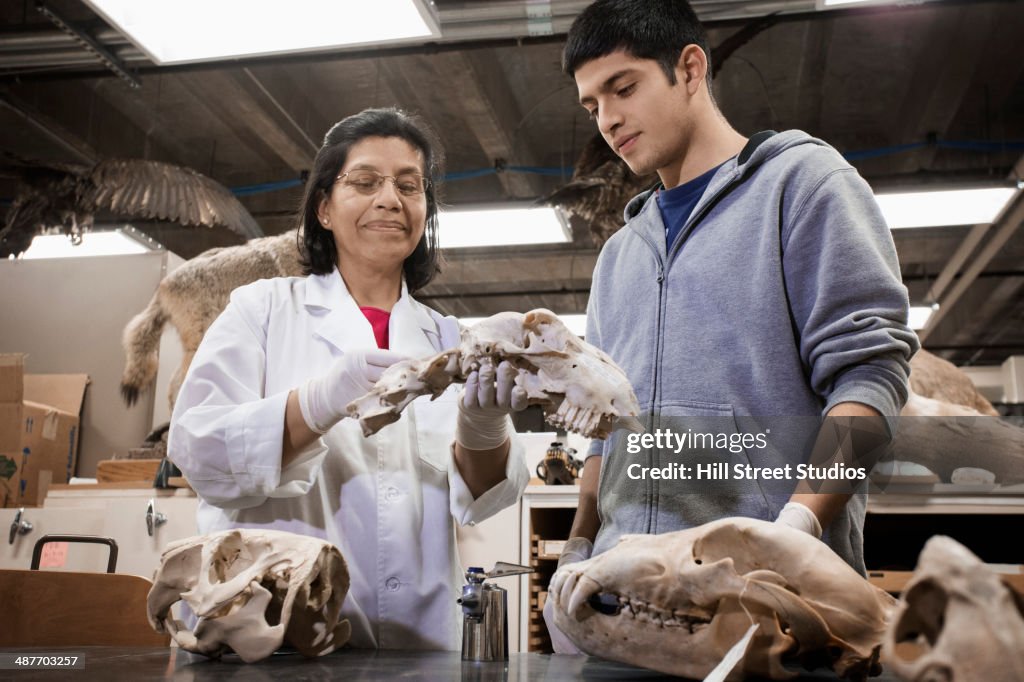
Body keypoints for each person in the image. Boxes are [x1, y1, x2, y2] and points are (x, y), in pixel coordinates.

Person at [545, 0, 919, 650]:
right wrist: (579, 543)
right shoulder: (619, 258)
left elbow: (871, 380)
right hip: (627, 623)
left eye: (623, 88)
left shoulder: (803, 187)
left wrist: (794, 532)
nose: (607, 119)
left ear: (690, 69)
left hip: (767, 623)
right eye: (590, 105)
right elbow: (605, 434)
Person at [169, 107, 529, 651]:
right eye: (365, 182)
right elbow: (197, 450)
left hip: (419, 641)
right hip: (276, 637)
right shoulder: (262, 311)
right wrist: (314, 405)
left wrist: (482, 426)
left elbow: (482, 498)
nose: (390, 198)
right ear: (324, 209)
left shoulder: (450, 339)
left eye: (409, 186)